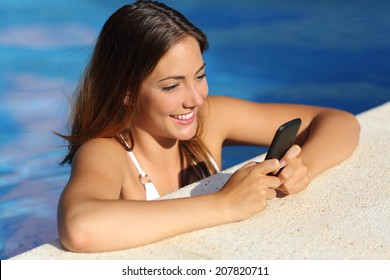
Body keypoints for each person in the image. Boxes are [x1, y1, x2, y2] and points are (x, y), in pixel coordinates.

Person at [57, 0, 360, 253]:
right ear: (126, 92)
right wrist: (223, 204)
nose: (195, 98)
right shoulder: (106, 152)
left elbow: (340, 122)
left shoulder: (210, 119)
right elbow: (80, 227)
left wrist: (303, 167)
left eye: (199, 76)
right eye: (172, 86)